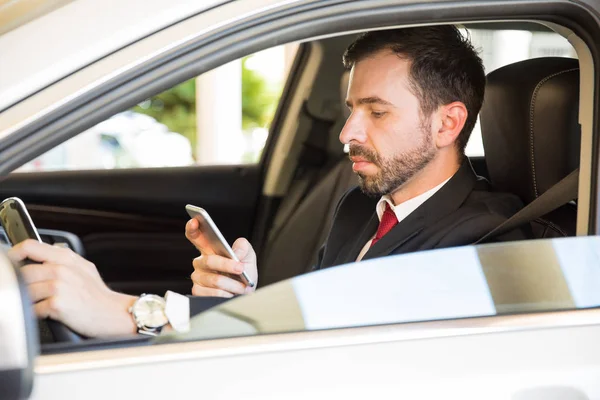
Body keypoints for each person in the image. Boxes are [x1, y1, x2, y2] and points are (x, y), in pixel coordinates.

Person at [9, 25, 529, 338]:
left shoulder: (483, 243)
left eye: (377, 112)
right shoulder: (362, 206)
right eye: (352, 110)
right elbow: (312, 324)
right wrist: (249, 296)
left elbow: (332, 346)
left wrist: (131, 313)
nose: (348, 132)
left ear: (448, 123)